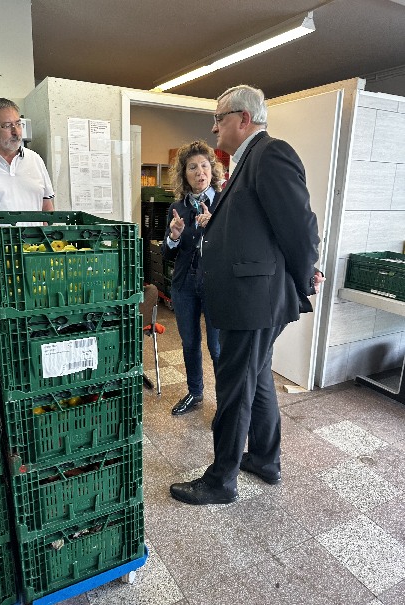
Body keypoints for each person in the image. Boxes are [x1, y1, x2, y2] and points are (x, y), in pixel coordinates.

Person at [170, 85, 323, 505]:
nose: (214, 125)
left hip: (255, 300)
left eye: (219, 117)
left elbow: (300, 227)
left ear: (244, 119)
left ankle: (221, 480)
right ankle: (265, 460)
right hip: (251, 297)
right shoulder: (245, 160)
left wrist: (303, 275)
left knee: (236, 386)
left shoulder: (271, 153)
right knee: (256, 381)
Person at [161, 140, 223, 416]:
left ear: (213, 170)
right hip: (184, 283)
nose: (200, 172)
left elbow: (237, 246)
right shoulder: (177, 207)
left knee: (218, 345)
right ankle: (195, 392)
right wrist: (173, 236)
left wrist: (216, 226)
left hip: (215, 282)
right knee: (189, 342)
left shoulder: (225, 202)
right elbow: (166, 253)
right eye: (193, 167)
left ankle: (226, 399)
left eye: (205, 166)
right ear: (184, 175)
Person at [0, 97, 54, 212]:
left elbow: (46, 206)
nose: (16, 132)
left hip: (33, 231)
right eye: (7, 126)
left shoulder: (35, 159)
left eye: (18, 124)